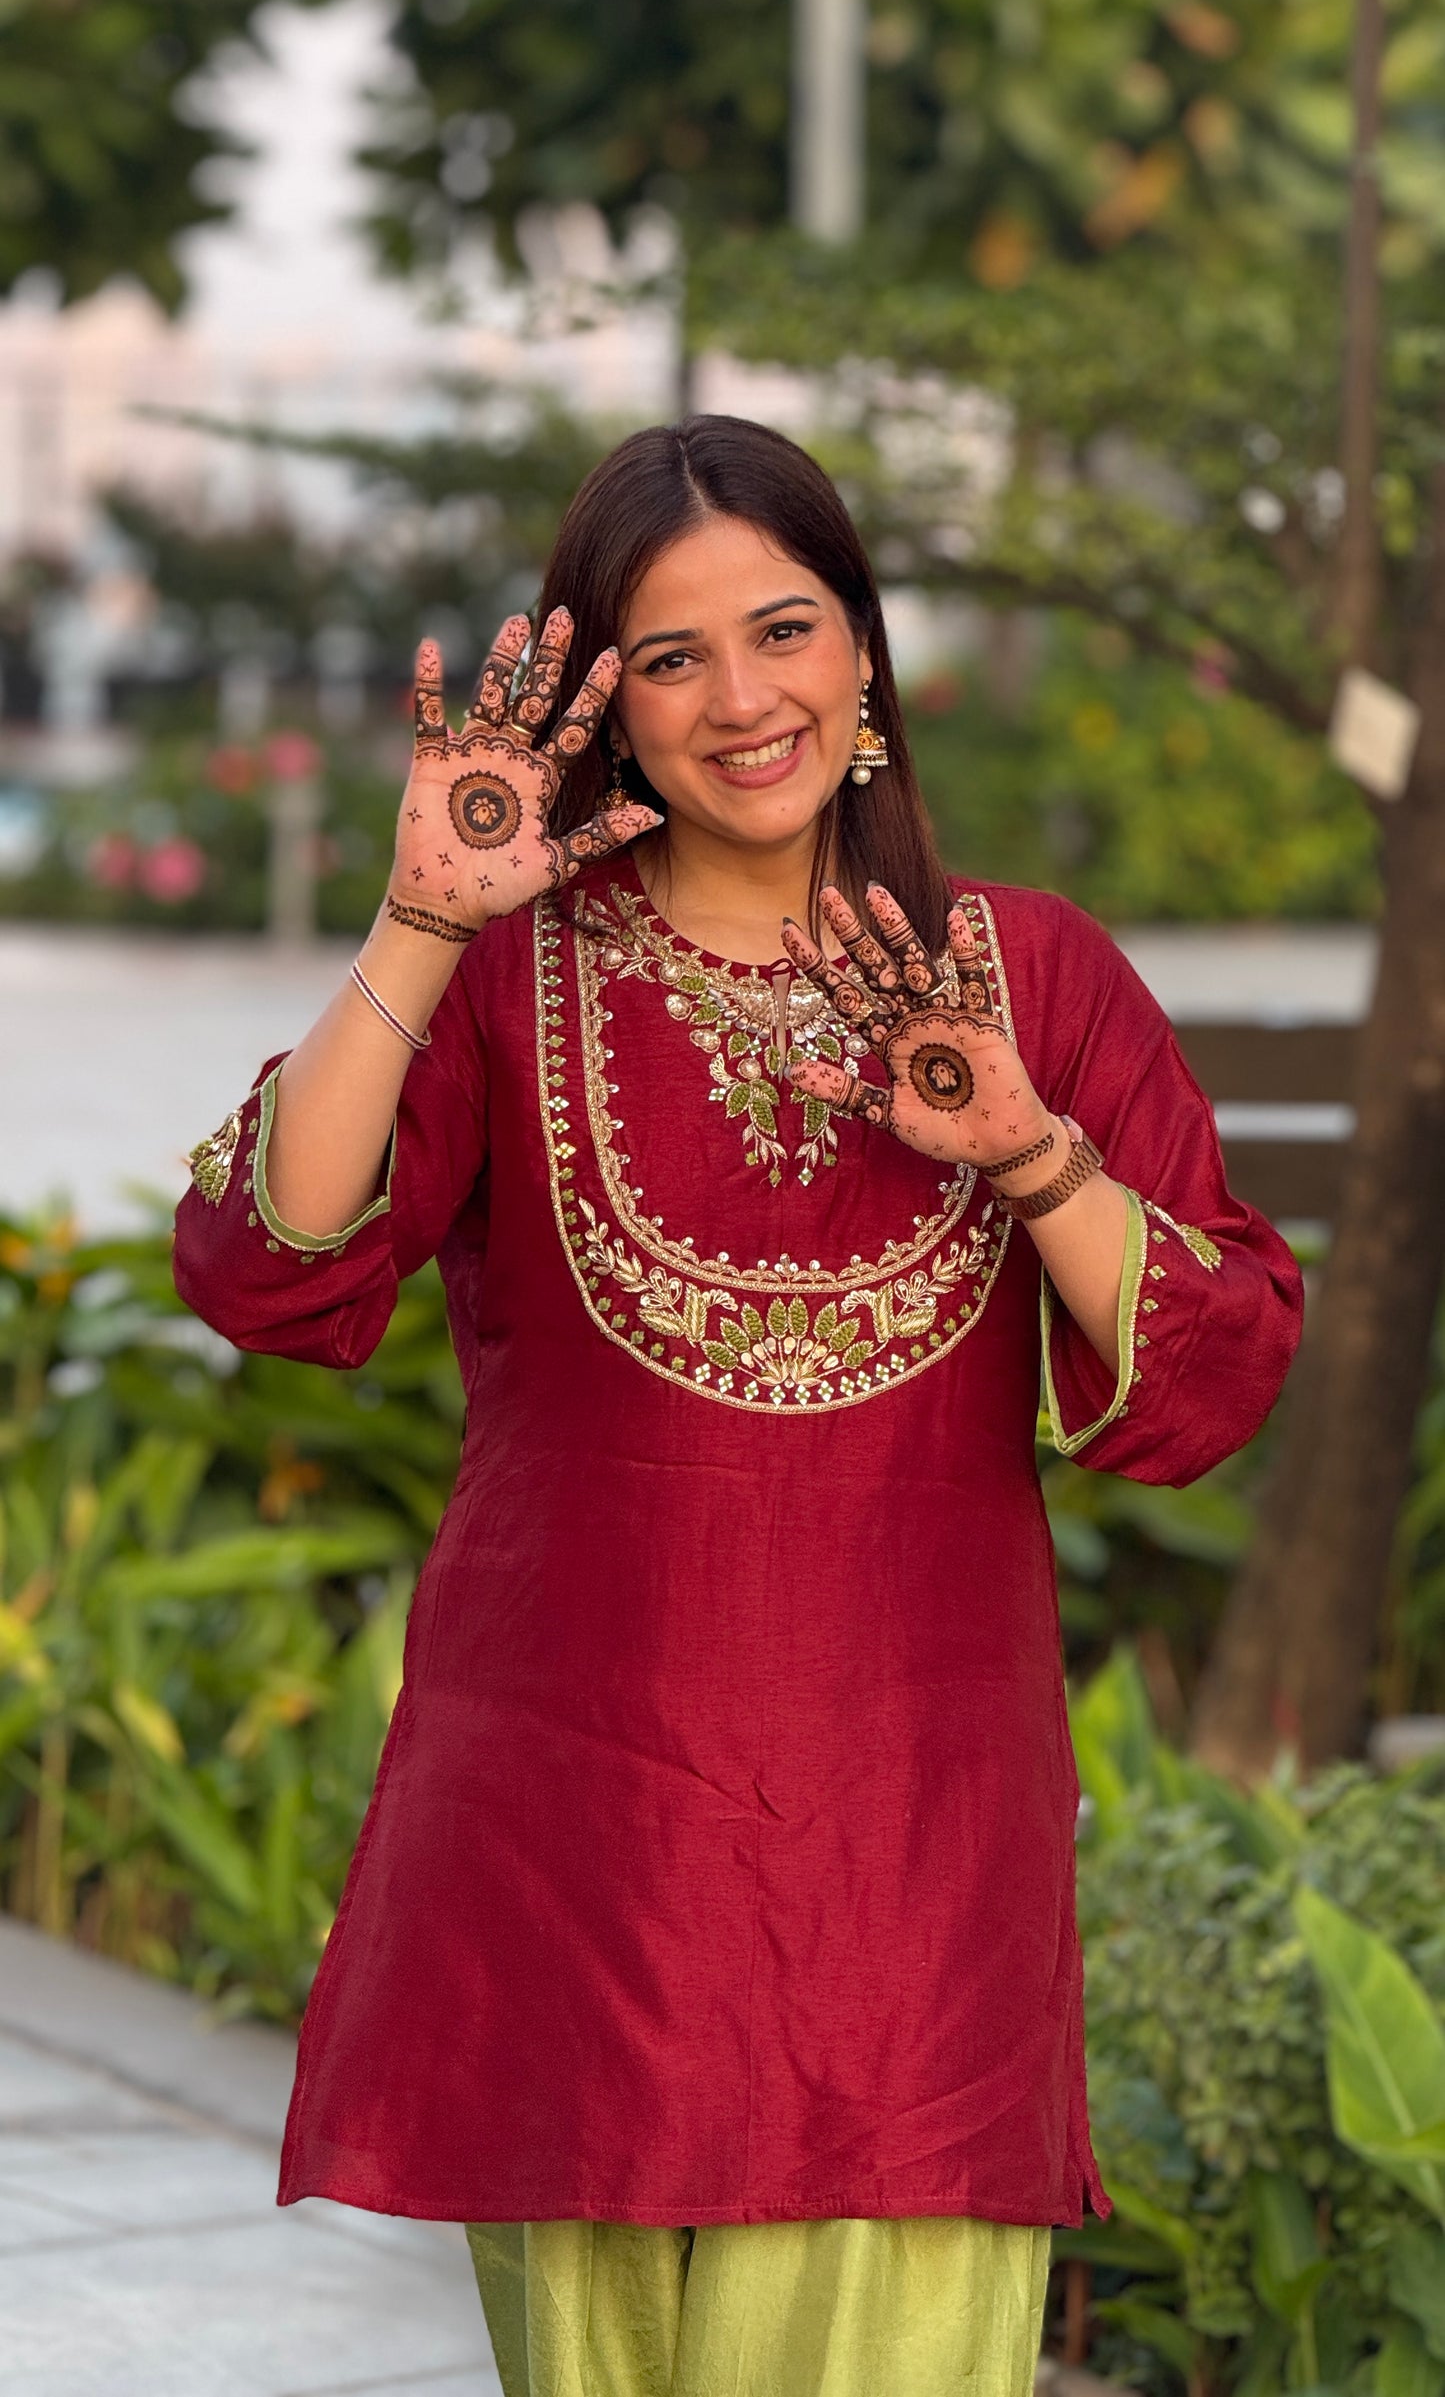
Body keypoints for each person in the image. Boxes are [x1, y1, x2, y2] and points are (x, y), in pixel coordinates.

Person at [174, 415, 1302, 2397]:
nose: (741, 699)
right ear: (608, 699)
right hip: (579, 1861)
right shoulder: (514, 980)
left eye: (782, 628)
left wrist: (1031, 1152)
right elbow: (277, 1256)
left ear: (866, 653)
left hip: (909, 1874)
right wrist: (426, 919)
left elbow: (1215, 1360)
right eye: (672, 655)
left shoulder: (1026, 978)